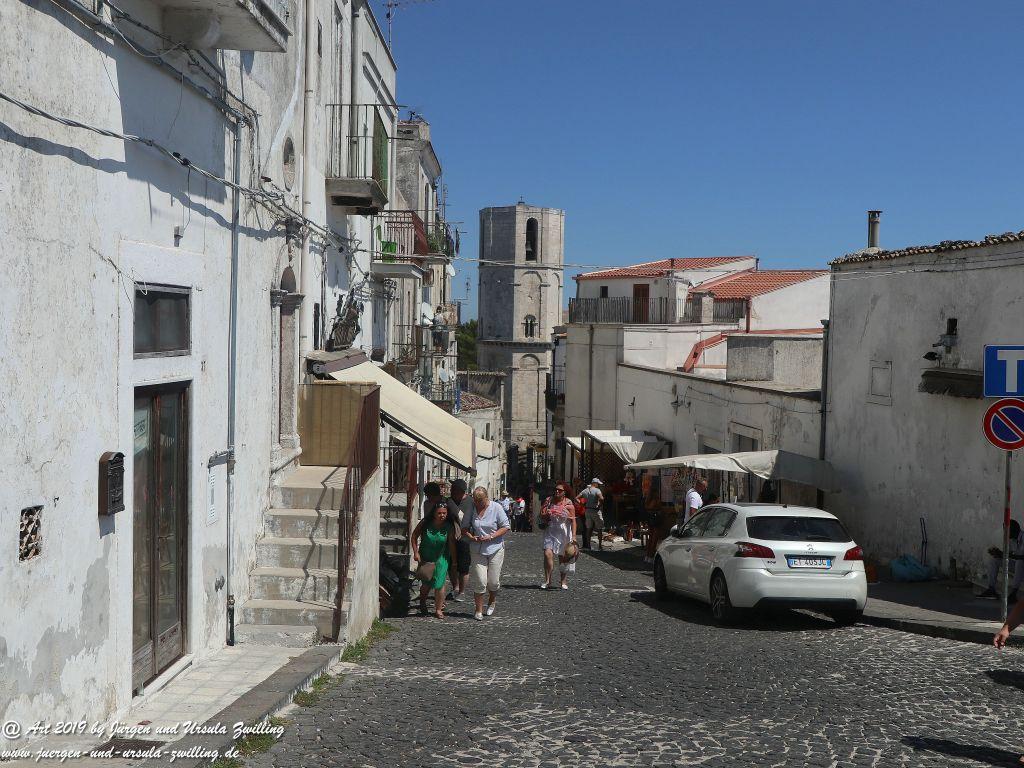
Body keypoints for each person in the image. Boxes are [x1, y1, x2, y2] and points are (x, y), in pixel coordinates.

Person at [462, 486, 511, 621]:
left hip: (495, 548)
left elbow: (505, 526)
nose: (478, 504)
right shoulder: (471, 509)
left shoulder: (496, 507)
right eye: (476, 501)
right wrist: (471, 537)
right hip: (477, 548)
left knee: (493, 582)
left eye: (481, 501)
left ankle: (492, 600)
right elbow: (464, 528)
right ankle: (478, 609)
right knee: (480, 581)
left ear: (486, 498)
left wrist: (491, 536)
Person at [411, 500, 457, 619]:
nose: (442, 515)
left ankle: (438, 609)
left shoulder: (449, 526)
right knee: (426, 583)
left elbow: (451, 543)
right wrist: (416, 552)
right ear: (434, 513)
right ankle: (422, 601)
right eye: (439, 513)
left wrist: (454, 561)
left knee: (440, 583)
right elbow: (414, 536)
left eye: (444, 513)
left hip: (441, 557)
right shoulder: (425, 523)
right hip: (426, 556)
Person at [539, 481, 578, 590]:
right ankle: (547, 580)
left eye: (560, 490)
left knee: (563, 558)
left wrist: (574, 536)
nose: (557, 491)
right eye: (556, 489)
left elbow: (573, 521)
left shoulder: (569, 505)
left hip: (564, 532)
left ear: (565, 492)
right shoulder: (549, 500)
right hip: (550, 530)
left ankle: (563, 581)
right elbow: (541, 515)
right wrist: (547, 514)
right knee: (547, 554)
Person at [981, 519, 1024, 600]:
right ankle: (991, 589)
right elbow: (1010, 555)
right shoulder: (1012, 540)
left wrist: (1004, 554)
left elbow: (1021, 558)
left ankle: (1014, 593)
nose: (1005, 532)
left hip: (1021, 566)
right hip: (1018, 568)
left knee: (1020, 562)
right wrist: (999, 554)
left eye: (1007, 530)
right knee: (994, 560)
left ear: (1014, 530)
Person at [446, 479, 474, 602]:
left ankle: (462, 592)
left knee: (463, 567)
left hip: (465, 539)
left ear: (461, 491)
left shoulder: (471, 502)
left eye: (454, 489)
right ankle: (455, 588)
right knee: (451, 564)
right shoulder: (448, 501)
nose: (451, 491)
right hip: (450, 538)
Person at [578, 478, 605, 551]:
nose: (598, 485)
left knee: (589, 528)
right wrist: (599, 505)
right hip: (595, 510)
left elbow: (576, 498)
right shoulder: (597, 490)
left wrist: (582, 504)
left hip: (587, 510)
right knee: (599, 528)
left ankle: (589, 545)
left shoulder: (585, 490)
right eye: (598, 484)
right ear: (595, 483)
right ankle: (600, 546)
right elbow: (602, 498)